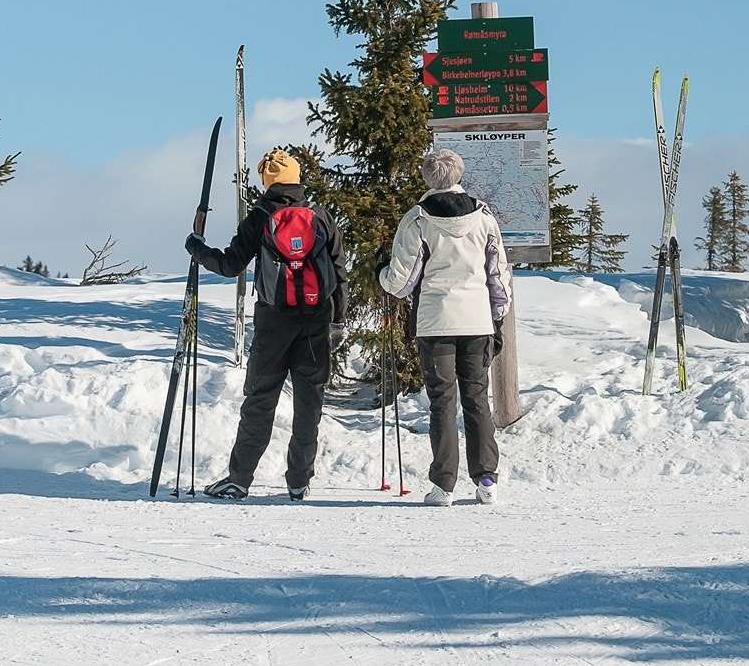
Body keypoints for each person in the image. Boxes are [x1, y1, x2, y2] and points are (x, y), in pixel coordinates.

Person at [185, 148, 347, 503]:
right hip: (316, 321)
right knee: (309, 403)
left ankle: (239, 480)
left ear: (267, 181)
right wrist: (338, 321)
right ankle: (299, 482)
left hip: (273, 322)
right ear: (297, 178)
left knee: (260, 400)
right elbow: (338, 273)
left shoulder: (260, 216)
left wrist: (197, 248)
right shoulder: (320, 217)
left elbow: (230, 265)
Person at [379, 146, 510, 507]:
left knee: (441, 401)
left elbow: (402, 282)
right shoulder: (484, 217)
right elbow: (497, 273)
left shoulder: (418, 219)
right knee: (476, 398)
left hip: (435, 321)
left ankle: (444, 485)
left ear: (426, 177)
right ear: (459, 175)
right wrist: (497, 314)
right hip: (477, 318)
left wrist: (383, 276)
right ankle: (486, 479)